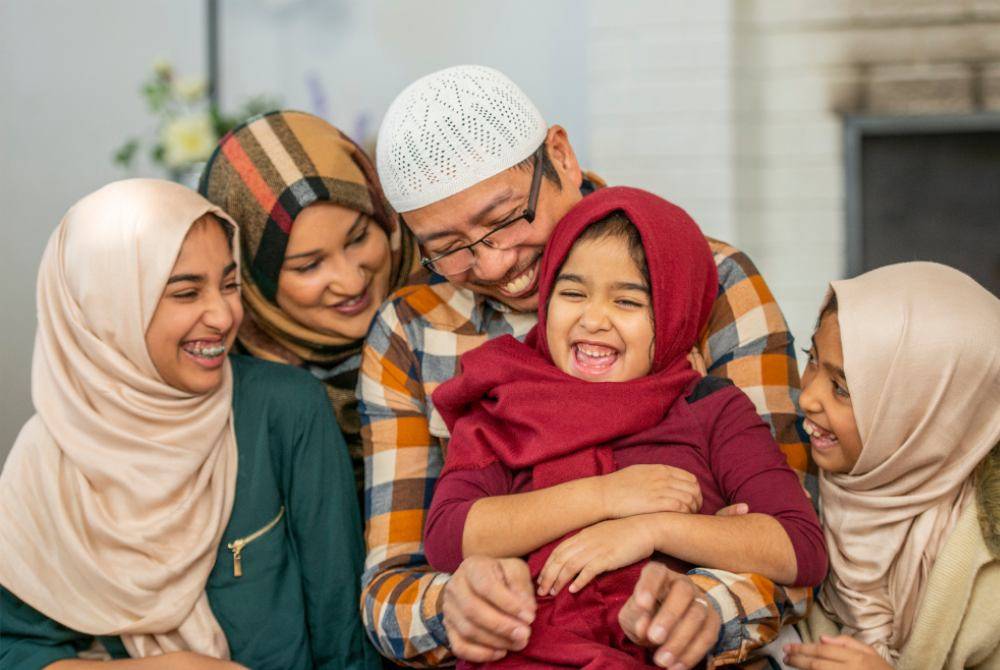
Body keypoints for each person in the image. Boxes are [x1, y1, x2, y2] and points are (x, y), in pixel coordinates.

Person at [360, 64, 815, 667]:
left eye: (504, 219)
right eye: (447, 249)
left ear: (561, 156)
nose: (493, 265)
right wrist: (455, 608)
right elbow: (394, 581)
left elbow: (792, 550)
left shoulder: (709, 281)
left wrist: (694, 608)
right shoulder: (409, 330)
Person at [423, 187, 826, 668]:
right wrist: (607, 496)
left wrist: (652, 529)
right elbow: (448, 535)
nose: (593, 319)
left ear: (675, 314)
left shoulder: (711, 409)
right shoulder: (504, 401)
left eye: (628, 302)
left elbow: (799, 546)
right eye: (572, 293)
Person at [0, 179, 379, 669]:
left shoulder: (283, 410)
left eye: (229, 285)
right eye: (185, 292)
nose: (223, 315)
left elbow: (344, 638)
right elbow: (14, 647)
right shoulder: (44, 462)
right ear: (107, 308)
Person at [781, 262, 1000, 670]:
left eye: (841, 388)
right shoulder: (793, 484)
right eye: (812, 358)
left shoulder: (987, 556)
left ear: (921, 412)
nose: (807, 397)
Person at [199, 110, 418, 503]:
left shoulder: (456, 303)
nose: (351, 282)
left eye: (358, 238)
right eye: (309, 266)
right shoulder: (226, 398)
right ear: (254, 279)